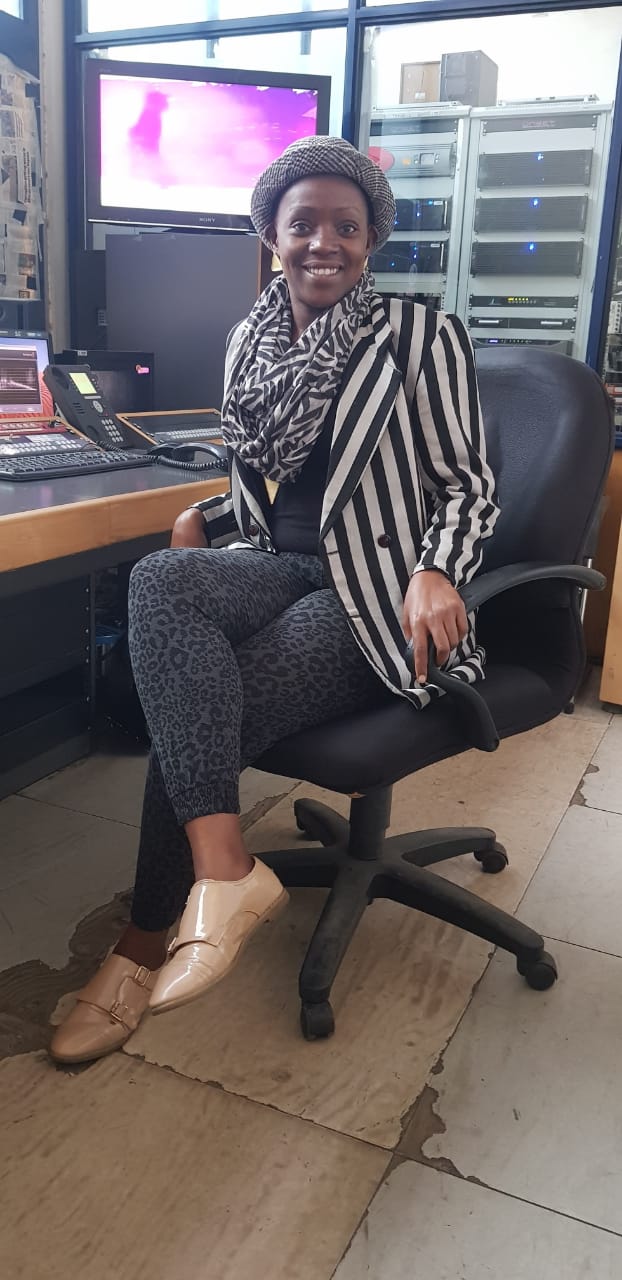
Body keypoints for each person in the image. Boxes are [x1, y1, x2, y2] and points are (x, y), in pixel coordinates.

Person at [50, 136, 499, 1065]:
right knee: (158, 578)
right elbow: (267, 489)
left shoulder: (418, 335)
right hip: (277, 566)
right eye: (304, 224)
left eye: (347, 225)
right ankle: (225, 872)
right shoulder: (248, 342)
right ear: (272, 236)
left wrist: (439, 570)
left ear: (371, 239)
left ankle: (141, 942)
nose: (324, 242)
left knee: (208, 705)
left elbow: (467, 487)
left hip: (377, 592)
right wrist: (205, 517)